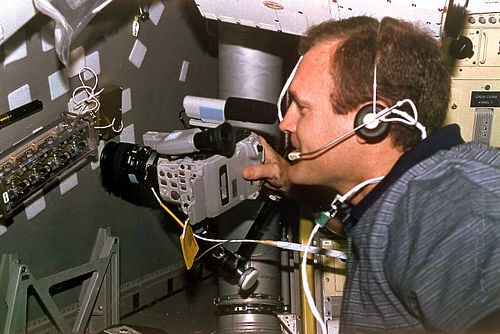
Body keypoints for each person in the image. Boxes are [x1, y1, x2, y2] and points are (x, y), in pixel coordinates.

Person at [242, 16, 500, 333]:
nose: (285, 123)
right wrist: (289, 182)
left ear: (372, 120)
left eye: (302, 107)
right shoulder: (402, 197)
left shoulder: (450, 211)